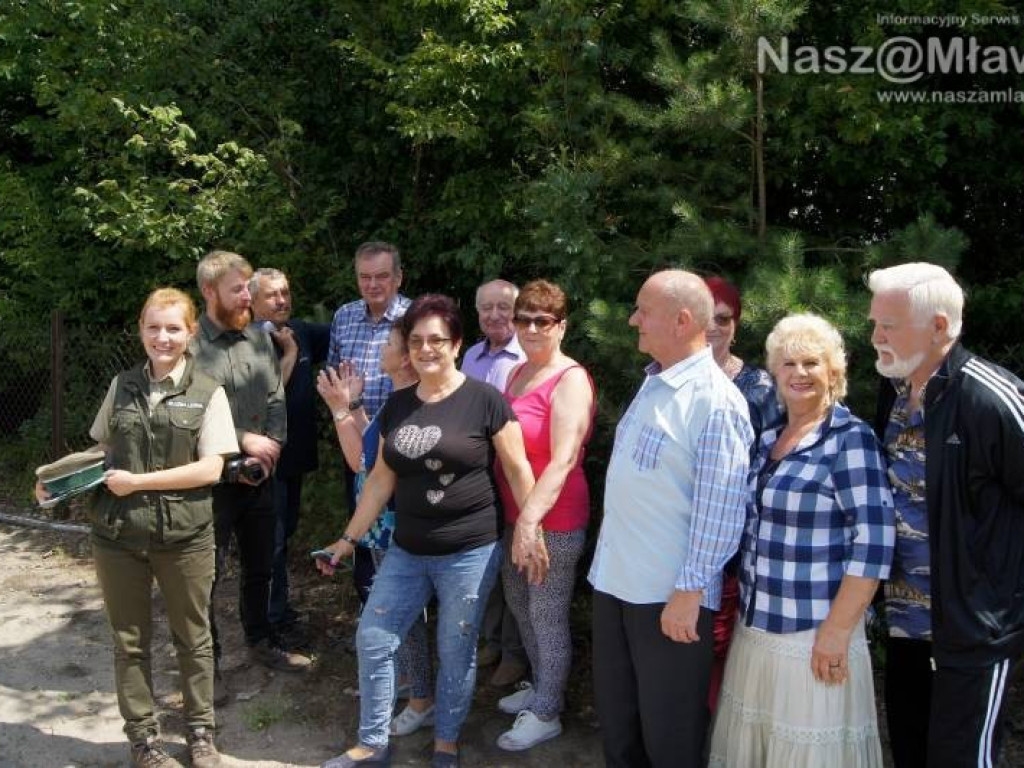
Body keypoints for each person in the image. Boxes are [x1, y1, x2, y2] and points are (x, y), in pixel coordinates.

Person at [315, 294, 535, 768]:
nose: (426, 348)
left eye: (437, 339)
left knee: (455, 649)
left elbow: (518, 470)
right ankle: (371, 745)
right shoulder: (397, 406)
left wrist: (529, 527)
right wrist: (347, 539)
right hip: (407, 550)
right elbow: (379, 480)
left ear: (456, 344)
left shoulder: (485, 400)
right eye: (416, 340)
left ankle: (447, 741)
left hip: (470, 551)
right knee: (374, 637)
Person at [35, 288, 237, 768]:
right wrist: (55, 482)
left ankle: (201, 735)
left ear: (190, 333)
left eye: (173, 328)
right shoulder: (121, 385)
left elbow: (211, 470)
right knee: (129, 642)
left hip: (186, 538)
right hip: (117, 536)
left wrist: (138, 483)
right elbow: (104, 455)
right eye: (153, 327)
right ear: (141, 331)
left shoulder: (209, 392)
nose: (162, 337)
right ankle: (144, 741)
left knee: (194, 638)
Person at [708, 313, 895, 768]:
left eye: (812, 362)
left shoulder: (850, 440)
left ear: (834, 372)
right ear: (775, 372)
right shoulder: (768, 438)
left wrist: (835, 633)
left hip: (814, 633)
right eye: (788, 363)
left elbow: (874, 544)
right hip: (757, 628)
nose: (799, 373)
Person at [588, 270, 753, 768]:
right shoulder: (655, 381)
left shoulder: (716, 402)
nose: (633, 318)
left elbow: (721, 510)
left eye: (643, 310)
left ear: (682, 321)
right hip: (616, 584)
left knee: (671, 737)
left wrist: (688, 594)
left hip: (668, 599)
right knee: (620, 726)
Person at [868, 263, 1024, 768]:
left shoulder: (988, 397)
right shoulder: (890, 391)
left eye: (887, 325)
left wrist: (997, 600)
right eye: (874, 323)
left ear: (940, 326)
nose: (875, 337)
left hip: (971, 632)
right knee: (912, 754)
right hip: (905, 626)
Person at [191, 251, 310, 675]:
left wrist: (272, 443)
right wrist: (244, 439)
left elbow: (275, 393)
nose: (248, 297)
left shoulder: (259, 337)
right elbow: (193, 409)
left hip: (261, 473)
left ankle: (261, 641)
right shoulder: (190, 344)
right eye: (237, 289)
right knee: (208, 573)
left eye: (247, 288)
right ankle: (209, 663)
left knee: (261, 565)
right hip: (213, 478)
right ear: (210, 292)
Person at [316, 327, 434, 739]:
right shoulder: (398, 400)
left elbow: (361, 464)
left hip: (397, 526)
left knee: (407, 616)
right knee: (405, 616)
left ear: (404, 360)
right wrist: (352, 404)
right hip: (386, 524)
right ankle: (410, 684)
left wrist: (338, 408)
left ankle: (422, 700)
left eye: (387, 346)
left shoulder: (413, 404)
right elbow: (367, 450)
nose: (379, 350)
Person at [493, 279, 595, 750]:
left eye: (542, 320)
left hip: (552, 519)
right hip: (517, 515)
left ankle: (548, 712)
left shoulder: (569, 379)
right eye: (524, 319)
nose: (531, 328)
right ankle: (540, 684)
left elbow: (564, 458)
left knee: (546, 613)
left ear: (561, 326)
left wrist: (531, 523)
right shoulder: (518, 373)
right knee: (520, 605)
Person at [703, 275, 782, 713]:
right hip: (672, 536)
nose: (714, 327)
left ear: (737, 323)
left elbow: (770, 465)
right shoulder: (667, 377)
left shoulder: (759, 387)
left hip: (734, 542)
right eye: (706, 317)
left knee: (723, 648)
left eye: (724, 318)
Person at [328, 241, 411, 615]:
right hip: (357, 445)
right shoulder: (344, 316)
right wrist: (341, 399)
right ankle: (370, 611)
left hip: (404, 446)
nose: (372, 284)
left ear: (397, 278)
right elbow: (333, 374)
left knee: (401, 535)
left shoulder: (413, 318)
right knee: (362, 526)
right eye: (365, 277)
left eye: (381, 276)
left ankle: (404, 615)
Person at [250, 267, 329, 634]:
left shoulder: (299, 329)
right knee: (272, 542)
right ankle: (268, 622)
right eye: (271, 295)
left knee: (286, 534)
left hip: (295, 458)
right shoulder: (246, 342)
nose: (281, 300)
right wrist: (291, 353)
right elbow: (265, 402)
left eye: (284, 292)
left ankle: (278, 611)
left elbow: (343, 335)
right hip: (266, 463)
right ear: (252, 301)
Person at [461, 278, 528, 688]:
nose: (494, 315)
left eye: (504, 307)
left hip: (513, 474)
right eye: (486, 308)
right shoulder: (470, 355)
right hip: (477, 475)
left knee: (515, 569)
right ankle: (493, 640)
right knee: (484, 561)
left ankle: (516, 653)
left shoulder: (527, 358)